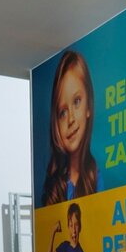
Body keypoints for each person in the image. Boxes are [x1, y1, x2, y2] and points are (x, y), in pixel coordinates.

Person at [40, 49, 103, 206]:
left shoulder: (97, 179)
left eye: (76, 101)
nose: (71, 119)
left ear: (89, 106)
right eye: (63, 112)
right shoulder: (53, 189)